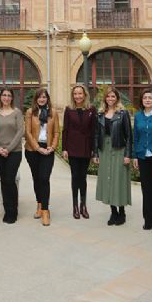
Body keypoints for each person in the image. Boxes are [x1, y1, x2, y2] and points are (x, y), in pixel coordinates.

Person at [94, 86, 132, 226]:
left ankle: (121, 212)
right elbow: (96, 135)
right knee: (107, 179)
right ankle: (113, 211)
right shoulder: (100, 114)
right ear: (105, 98)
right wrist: (96, 153)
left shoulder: (123, 113)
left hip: (119, 148)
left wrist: (128, 154)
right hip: (104, 148)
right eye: (108, 96)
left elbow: (129, 135)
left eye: (113, 96)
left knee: (118, 179)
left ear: (117, 98)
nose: (110, 99)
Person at [24, 87, 59, 226]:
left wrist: (52, 147)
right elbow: (27, 132)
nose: (42, 99)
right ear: (36, 99)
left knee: (44, 178)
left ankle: (45, 210)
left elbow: (56, 132)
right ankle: (39, 203)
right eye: (39, 97)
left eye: (44, 97)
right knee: (36, 179)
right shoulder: (30, 112)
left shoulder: (53, 113)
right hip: (32, 150)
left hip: (48, 149)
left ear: (47, 98)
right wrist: (38, 148)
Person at [132, 88, 152, 233]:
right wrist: (134, 155)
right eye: (145, 98)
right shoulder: (138, 116)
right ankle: (149, 220)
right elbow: (135, 137)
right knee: (147, 190)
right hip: (142, 157)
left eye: (150, 98)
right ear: (141, 100)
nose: (147, 100)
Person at [61, 84, 96, 219]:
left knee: (83, 177)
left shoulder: (91, 109)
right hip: (73, 148)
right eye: (75, 94)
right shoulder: (69, 110)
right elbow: (65, 130)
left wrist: (93, 149)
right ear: (72, 96)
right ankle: (75, 206)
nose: (78, 96)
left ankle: (83, 205)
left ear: (84, 94)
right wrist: (64, 148)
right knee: (75, 177)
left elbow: (94, 131)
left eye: (80, 94)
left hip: (86, 148)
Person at [0, 88, 24, 224]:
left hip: (14, 152)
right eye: (4, 95)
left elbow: (20, 132)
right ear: (0, 98)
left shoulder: (17, 112)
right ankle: (7, 210)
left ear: (12, 98)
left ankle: (13, 211)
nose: (6, 97)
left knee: (10, 180)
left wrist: (8, 149)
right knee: (3, 181)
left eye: (8, 95)